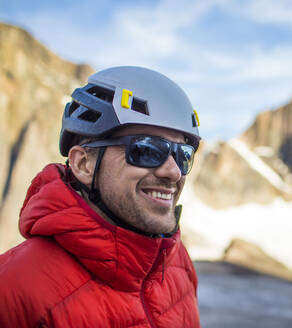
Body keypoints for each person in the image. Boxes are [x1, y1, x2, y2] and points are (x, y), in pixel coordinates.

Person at [0, 66, 202, 327]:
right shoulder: (13, 287)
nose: (173, 171)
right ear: (83, 164)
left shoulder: (177, 264)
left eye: (183, 154)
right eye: (146, 150)